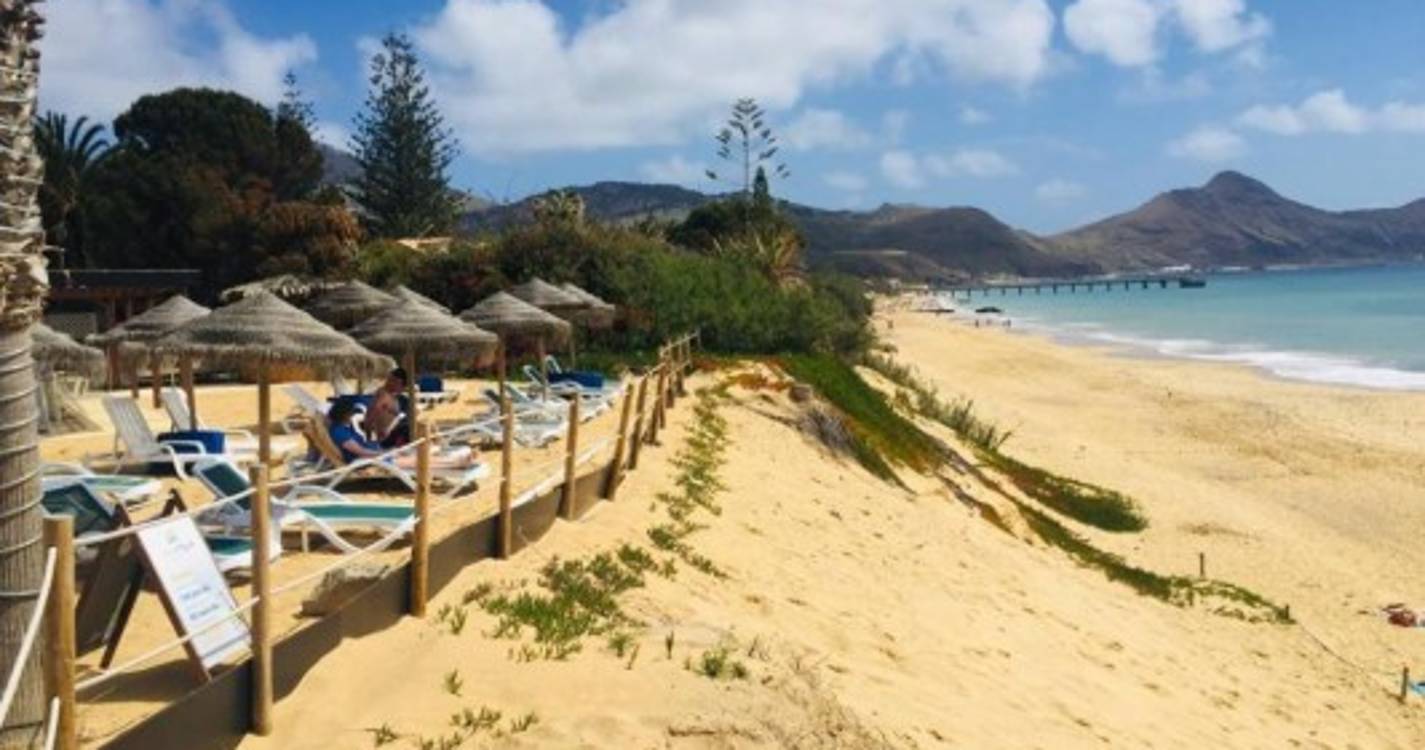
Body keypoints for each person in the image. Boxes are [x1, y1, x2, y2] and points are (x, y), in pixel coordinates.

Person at [326, 400, 476, 470]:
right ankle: (456, 462)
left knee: (415, 456)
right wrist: (385, 453)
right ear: (344, 414)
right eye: (351, 412)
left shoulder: (344, 427)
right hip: (367, 461)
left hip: (375, 455)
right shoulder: (339, 432)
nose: (352, 415)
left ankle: (455, 459)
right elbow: (360, 452)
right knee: (416, 462)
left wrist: (387, 450)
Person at [366, 367, 410, 447]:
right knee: (408, 427)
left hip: (391, 434)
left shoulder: (394, 396)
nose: (388, 382)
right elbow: (371, 415)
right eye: (389, 380)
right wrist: (369, 437)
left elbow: (399, 415)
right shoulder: (383, 395)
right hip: (385, 438)